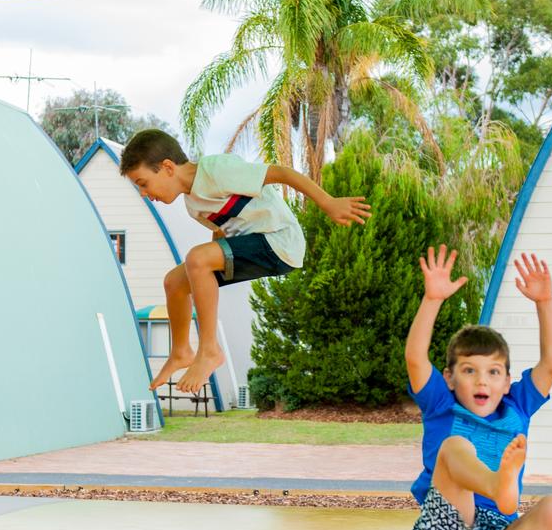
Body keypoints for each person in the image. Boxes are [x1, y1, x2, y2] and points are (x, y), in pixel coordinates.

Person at [119, 128, 370, 393]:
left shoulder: (216, 170)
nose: (144, 194)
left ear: (167, 167)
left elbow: (281, 173)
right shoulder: (193, 205)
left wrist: (328, 202)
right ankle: (181, 351)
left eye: (143, 183)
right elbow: (221, 232)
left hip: (279, 240)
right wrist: (205, 276)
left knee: (197, 259)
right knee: (175, 282)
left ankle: (209, 350)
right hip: (254, 247)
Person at [403, 244, 552, 530]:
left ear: (508, 381)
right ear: (449, 378)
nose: (483, 382)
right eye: (470, 371)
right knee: (454, 447)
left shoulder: (518, 406)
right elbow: (415, 358)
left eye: (493, 373)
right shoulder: (440, 405)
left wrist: (544, 302)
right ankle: (496, 483)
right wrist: (432, 298)